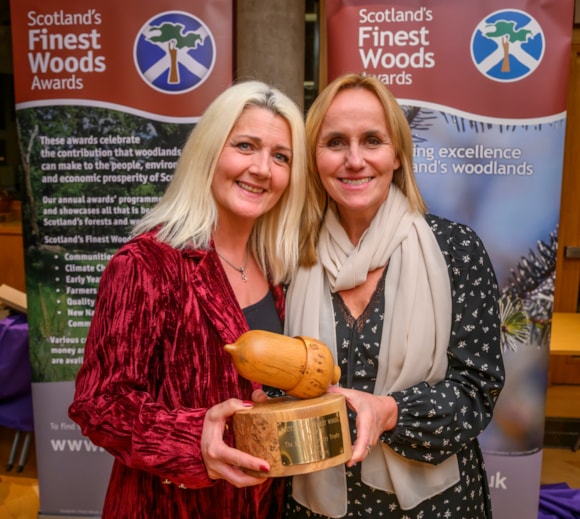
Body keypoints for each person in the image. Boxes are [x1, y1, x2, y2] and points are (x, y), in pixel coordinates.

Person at [68, 80, 308, 519]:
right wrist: (193, 437)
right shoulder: (147, 263)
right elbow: (99, 404)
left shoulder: (280, 270)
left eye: (280, 157)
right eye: (245, 146)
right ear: (209, 151)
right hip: (168, 506)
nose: (262, 168)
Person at [284, 73, 506, 518]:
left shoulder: (455, 250)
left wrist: (390, 412)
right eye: (335, 142)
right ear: (314, 156)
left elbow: (477, 392)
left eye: (372, 140)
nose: (354, 159)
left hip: (434, 505)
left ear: (399, 154)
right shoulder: (290, 258)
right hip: (314, 506)